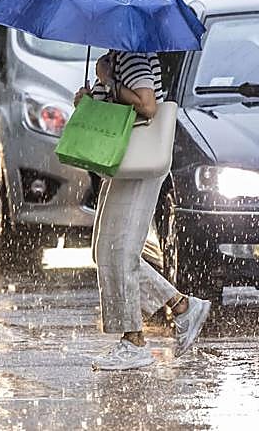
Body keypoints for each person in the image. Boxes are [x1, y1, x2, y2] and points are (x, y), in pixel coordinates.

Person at [75, 49, 211, 371]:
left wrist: (109, 81)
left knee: (120, 252)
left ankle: (133, 342)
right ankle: (182, 307)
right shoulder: (115, 57)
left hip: (139, 163)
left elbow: (147, 106)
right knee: (105, 251)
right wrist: (89, 97)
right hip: (123, 162)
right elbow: (113, 109)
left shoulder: (133, 57)